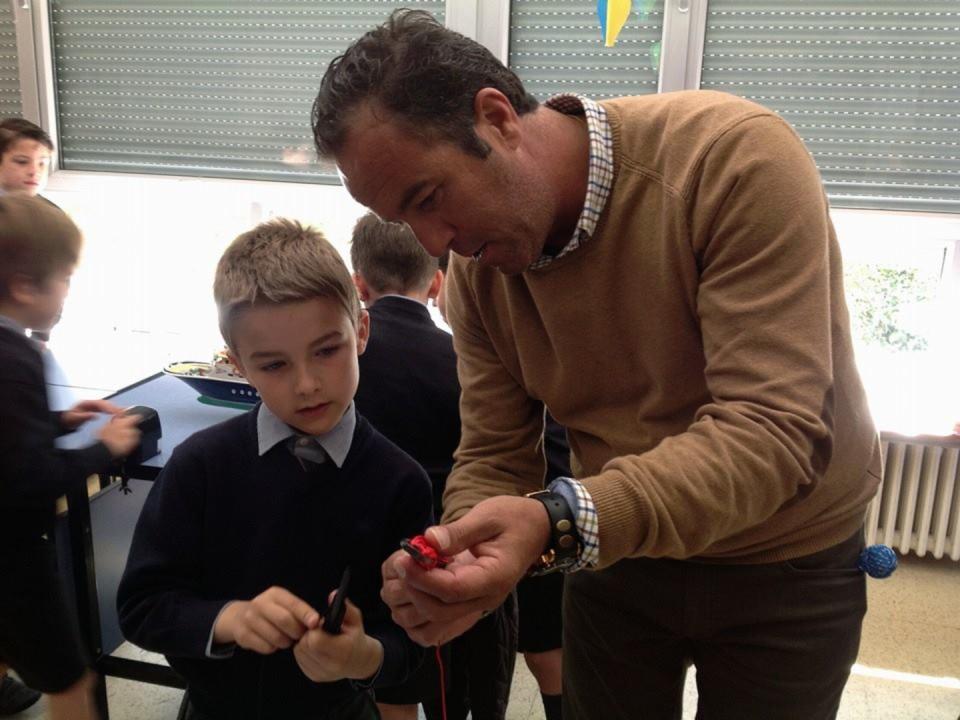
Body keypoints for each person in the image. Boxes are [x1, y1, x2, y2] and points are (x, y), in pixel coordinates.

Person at [311, 10, 883, 719]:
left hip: (788, 553)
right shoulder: (483, 269)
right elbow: (493, 450)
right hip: (617, 550)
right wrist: (459, 552)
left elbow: (771, 434)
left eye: (429, 197)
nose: (436, 244)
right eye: (405, 222)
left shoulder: (734, 159)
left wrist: (555, 522)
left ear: (496, 119)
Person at [116, 218, 433, 720]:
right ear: (238, 364)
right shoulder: (200, 466)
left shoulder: (401, 482)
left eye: (327, 350)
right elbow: (142, 606)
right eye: (274, 364)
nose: (307, 384)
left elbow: (412, 639)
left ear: (362, 332)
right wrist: (229, 619)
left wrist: (362, 655)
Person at [350, 213, 517, 720]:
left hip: (365, 560)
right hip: (448, 555)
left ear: (359, 285)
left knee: (390, 689)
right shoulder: (465, 361)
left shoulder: (341, 367)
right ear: (438, 281)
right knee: (452, 694)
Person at [0, 194, 142, 720]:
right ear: (24, 286)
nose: (66, 292)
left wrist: (57, 421)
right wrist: (105, 449)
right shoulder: (17, 357)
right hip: (15, 560)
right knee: (70, 683)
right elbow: (28, 479)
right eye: (63, 277)